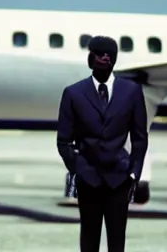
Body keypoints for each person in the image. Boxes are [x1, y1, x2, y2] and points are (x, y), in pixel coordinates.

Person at [56, 35, 148, 252]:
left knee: (117, 241)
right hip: (88, 179)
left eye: (109, 53)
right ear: (90, 57)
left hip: (120, 179)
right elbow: (63, 140)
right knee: (89, 239)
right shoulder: (73, 93)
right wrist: (78, 168)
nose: (104, 57)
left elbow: (139, 136)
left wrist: (134, 173)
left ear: (115, 58)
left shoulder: (132, 91)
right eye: (99, 52)